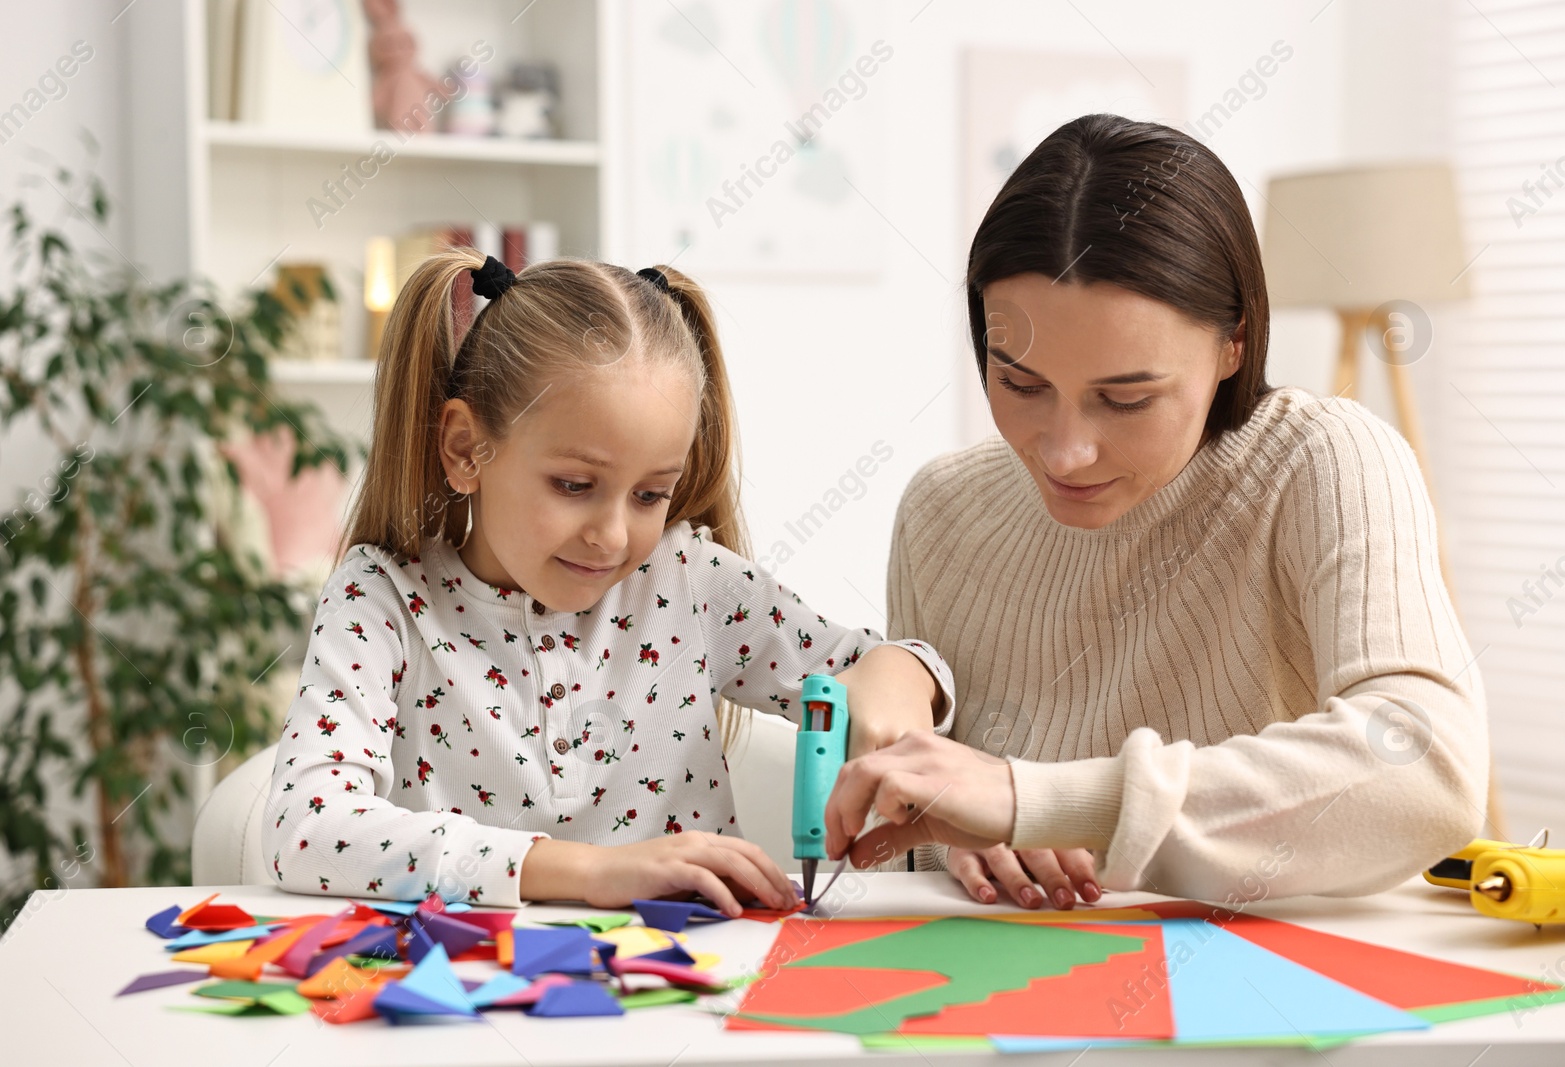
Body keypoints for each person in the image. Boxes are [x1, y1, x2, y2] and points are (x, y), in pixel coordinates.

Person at [824, 113, 1488, 909]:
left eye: (1126, 397)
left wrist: (1034, 799)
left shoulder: (1323, 461)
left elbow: (1427, 770)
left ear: (1233, 344)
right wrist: (942, 833)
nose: (1065, 451)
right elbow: (935, 829)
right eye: (1021, 383)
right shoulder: (942, 510)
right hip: (997, 993)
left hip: (1253, 1000)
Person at [264, 253, 953, 914]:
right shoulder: (381, 599)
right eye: (574, 485)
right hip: (472, 1006)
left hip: (693, 992)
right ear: (465, 448)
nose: (615, 535)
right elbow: (306, 826)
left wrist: (897, 674)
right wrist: (592, 872)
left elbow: (880, 669)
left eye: (652, 494)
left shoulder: (693, 581)